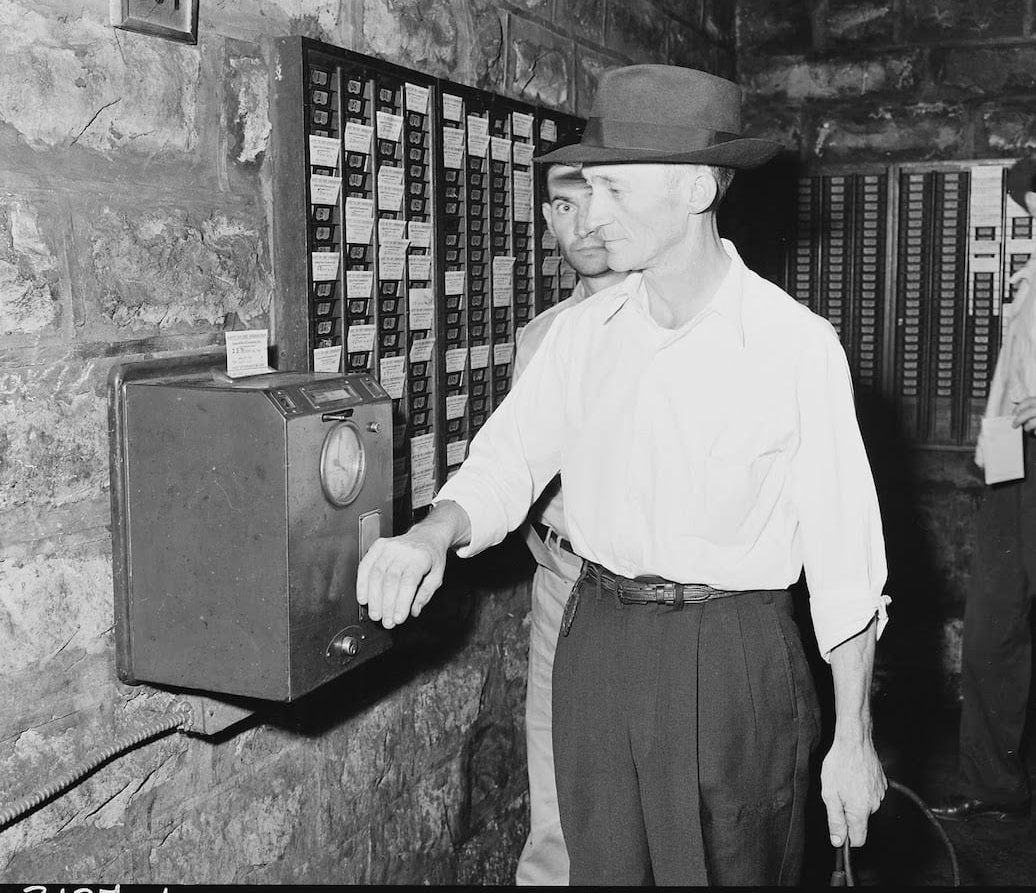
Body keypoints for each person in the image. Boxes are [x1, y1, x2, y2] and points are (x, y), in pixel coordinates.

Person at [357, 64, 890, 885]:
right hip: (598, 637)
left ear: (696, 189)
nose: (592, 218)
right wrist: (434, 532)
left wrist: (852, 740)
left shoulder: (792, 346)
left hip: (731, 658)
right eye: (587, 190)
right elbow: (506, 458)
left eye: (612, 190)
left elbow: (845, 563)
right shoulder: (584, 336)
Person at [930, 129, 1036, 823]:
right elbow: (1014, 374)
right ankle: (991, 783)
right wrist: (988, 446)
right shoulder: (1033, 276)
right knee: (991, 627)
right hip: (1011, 466)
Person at [514, 162, 627, 886]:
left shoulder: (671, 326)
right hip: (560, 578)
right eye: (562, 206)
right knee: (553, 788)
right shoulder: (542, 335)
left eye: (595, 204)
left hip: (645, 589)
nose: (580, 224)